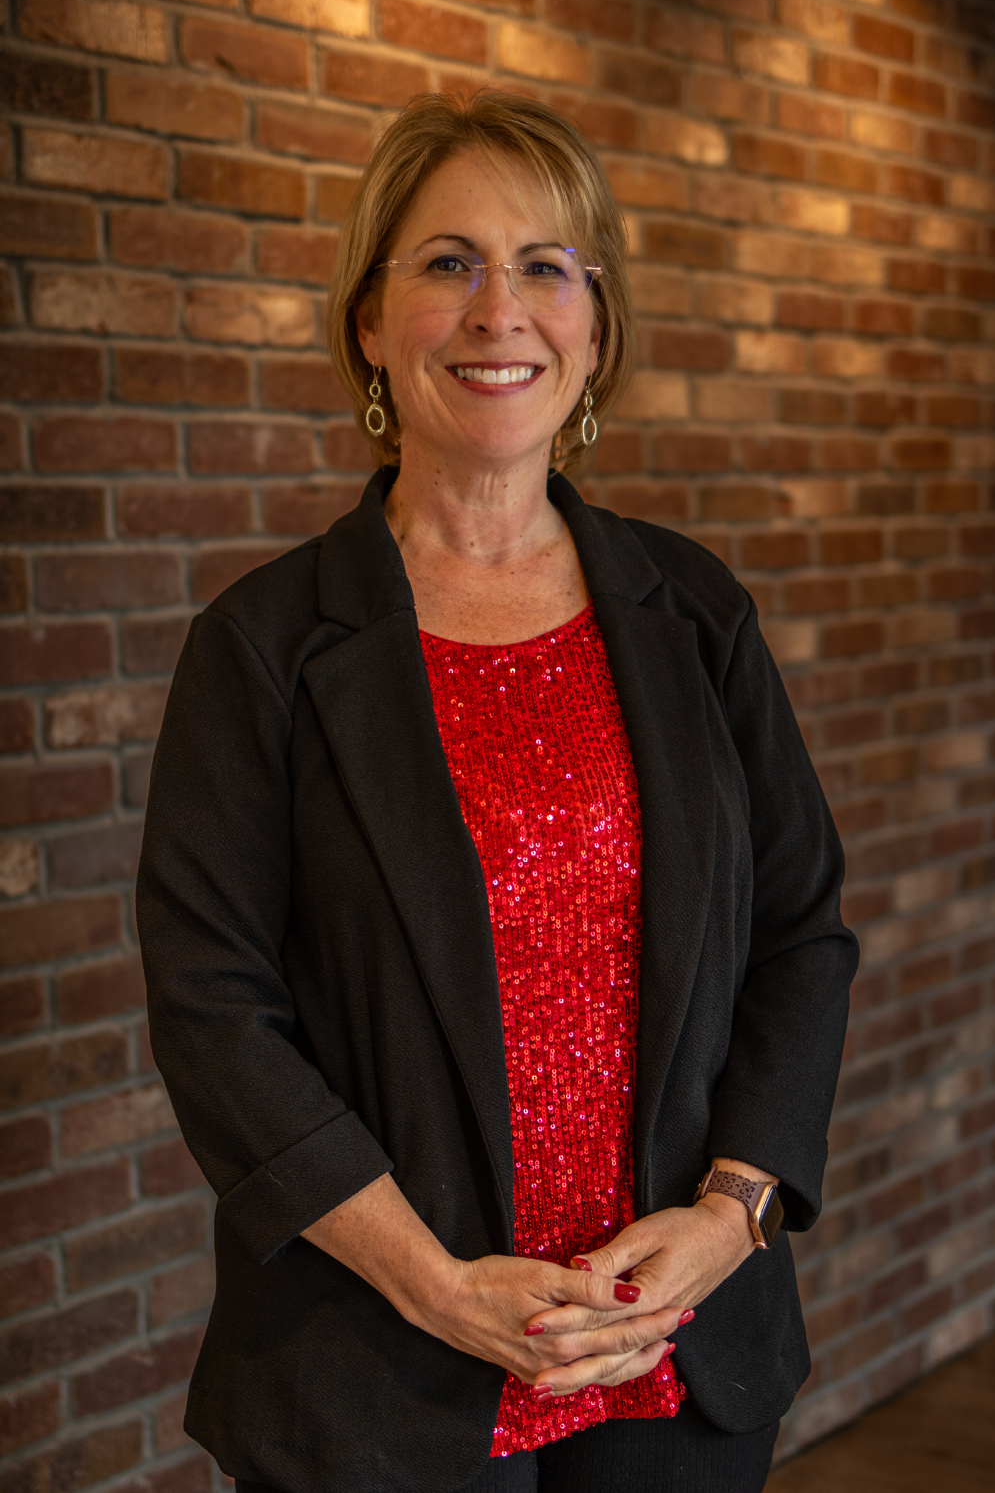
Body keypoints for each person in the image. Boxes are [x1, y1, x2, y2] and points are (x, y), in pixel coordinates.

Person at [137, 90, 858, 1493]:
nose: (499, 309)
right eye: (449, 262)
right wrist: (434, 1285)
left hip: (679, 1357)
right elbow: (216, 1012)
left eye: (545, 266)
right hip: (382, 1371)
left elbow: (801, 930)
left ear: (595, 323)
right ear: (368, 318)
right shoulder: (266, 650)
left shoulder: (692, 612)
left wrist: (732, 1214)